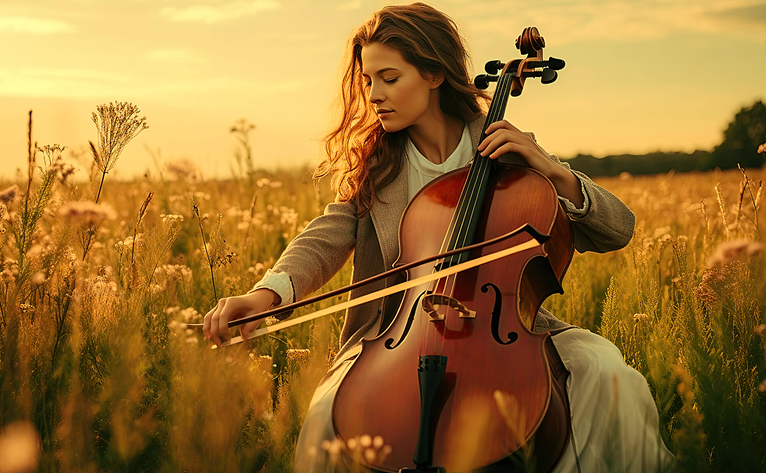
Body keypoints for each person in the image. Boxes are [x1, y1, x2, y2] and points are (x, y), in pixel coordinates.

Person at [203, 3, 673, 472]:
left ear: (433, 74)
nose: (375, 95)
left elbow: (618, 229)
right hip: (397, 340)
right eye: (369, 81)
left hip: (506, 334)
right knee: (327, 415)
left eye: (390, 78)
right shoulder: (377, 164)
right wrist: (267, 295)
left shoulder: (501, 146)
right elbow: (325, 236)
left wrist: (549, 168)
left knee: (606, 372)